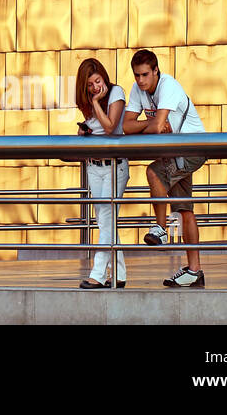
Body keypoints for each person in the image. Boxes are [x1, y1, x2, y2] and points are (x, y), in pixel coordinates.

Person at [122, 48, 205, 288]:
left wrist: (152, 124)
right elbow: (127, 126)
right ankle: (194, 271)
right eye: (137, 75)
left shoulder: (168, 86)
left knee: (153, 172)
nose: (140, 80)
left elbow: (158, 128)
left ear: (156, 71)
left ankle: (159, 228)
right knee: (184, 209)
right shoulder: (138, 89)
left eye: (145, 75)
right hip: (175, 152)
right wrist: (151, 122)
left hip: (192, 148)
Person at [74, 57, 129, 289]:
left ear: (104, 77)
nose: (95, 87)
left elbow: (109, 127)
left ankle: (97, 274)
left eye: (97, 81)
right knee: (105, 222)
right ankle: (119, 275)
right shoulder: (86, 103)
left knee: (106, 221)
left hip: (114, 166)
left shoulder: (116, 93)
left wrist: (97, 101)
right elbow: (95, 130)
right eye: (89, 85)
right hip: (94, 167)